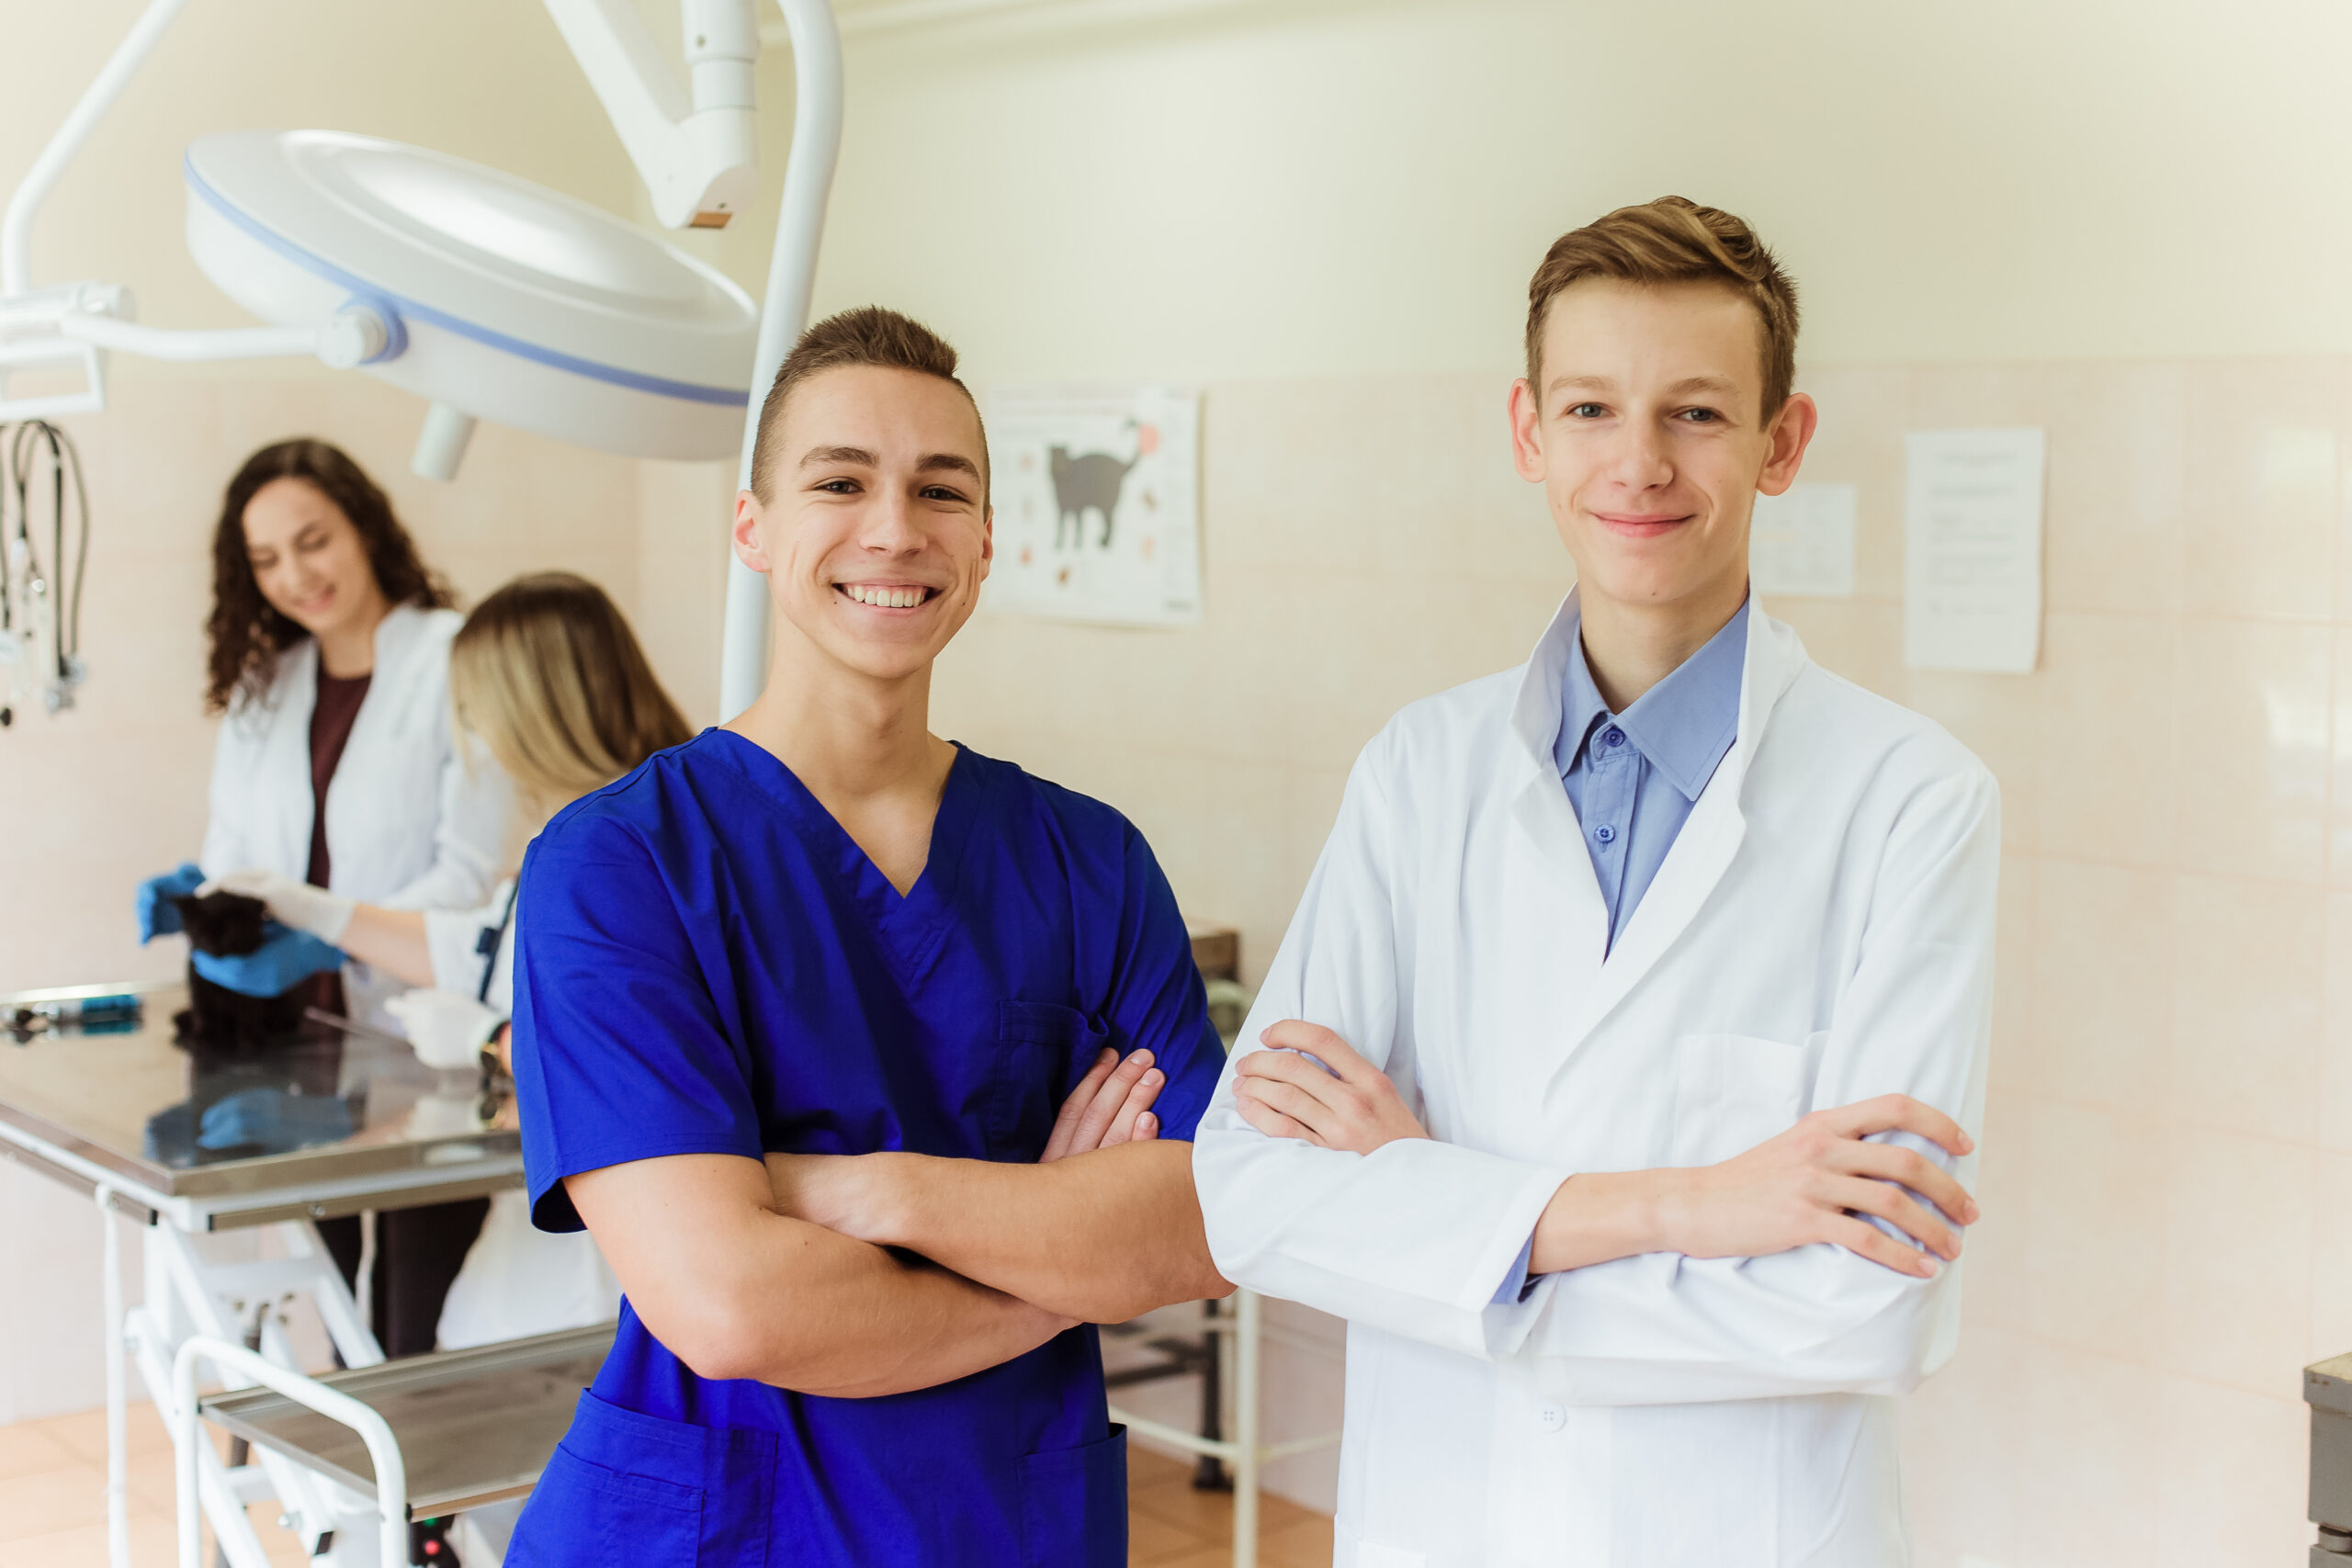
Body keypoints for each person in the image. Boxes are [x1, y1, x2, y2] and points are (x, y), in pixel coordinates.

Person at [1192, 197, 1998, 1567]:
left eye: (1697, 413)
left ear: (1781, 442)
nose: (1638, 463)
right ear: (1529, 432)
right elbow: (1252, 1197)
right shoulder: (1419, 772)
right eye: (1589, 410)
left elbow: (1870, 1308)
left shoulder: (1913, 801)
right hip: (1442, 1522)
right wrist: (1684, 1207)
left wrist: (1434, 1217)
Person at [501, 306, 1228, 1567]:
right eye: (840, 482)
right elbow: (728, 1304)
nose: (894, 529)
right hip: (720, 1528)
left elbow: (1205, 1227)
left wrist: (863, 1188)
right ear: (752, 526)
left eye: (940, 490)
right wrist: (1057, 1249)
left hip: (1004, 1520)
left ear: (987, 542)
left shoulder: (1088, 861)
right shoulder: (621, 862)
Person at [208, 570, 695, 1351]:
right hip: (559, 1235)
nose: (470, 736)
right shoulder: (579, 835)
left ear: (530, 712)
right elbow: (480, 948)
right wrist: (318, 912)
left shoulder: (632, 850)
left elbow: (642, 1062)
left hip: (616, 1251)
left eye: (471, 710)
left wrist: (486, 1040)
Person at [134, 438, 510, 1358]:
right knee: (331, 1294)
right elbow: (235, 851)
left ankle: (405, 1459)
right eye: (267, 559)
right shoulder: (266, 684)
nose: (297, 576)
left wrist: (333, 936)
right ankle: (346, 1454)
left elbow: (470, 874)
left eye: (314, 541)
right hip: (302, 1048)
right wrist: (202, 899)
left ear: (365, 527)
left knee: (415, 1310)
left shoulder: (457, 657)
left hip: (422, 1038)